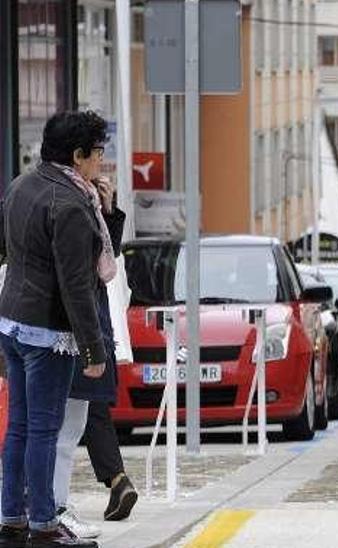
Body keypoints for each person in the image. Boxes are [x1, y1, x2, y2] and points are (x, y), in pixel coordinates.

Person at [0, 111, 112, 548]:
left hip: (11, 323)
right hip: (48, 334)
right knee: (45, 429)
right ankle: (44, 523)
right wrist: (93, 349)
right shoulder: (69, 205)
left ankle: (12, 517)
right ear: (78, 155)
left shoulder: (21, 185)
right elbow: (76, 287)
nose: (101, 162)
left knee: (20, 428)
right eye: (98, 153)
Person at [51, 174, 137, 538]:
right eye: (97, 153)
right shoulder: (63, 200)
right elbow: (81, 275)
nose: (102, 162)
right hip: (67, 328)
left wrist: (109, 209)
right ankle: (51, 508)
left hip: (88, 328)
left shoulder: (87, 201)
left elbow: (105, 257)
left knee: (80, 417)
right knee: (61, 426)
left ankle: (52, 507)